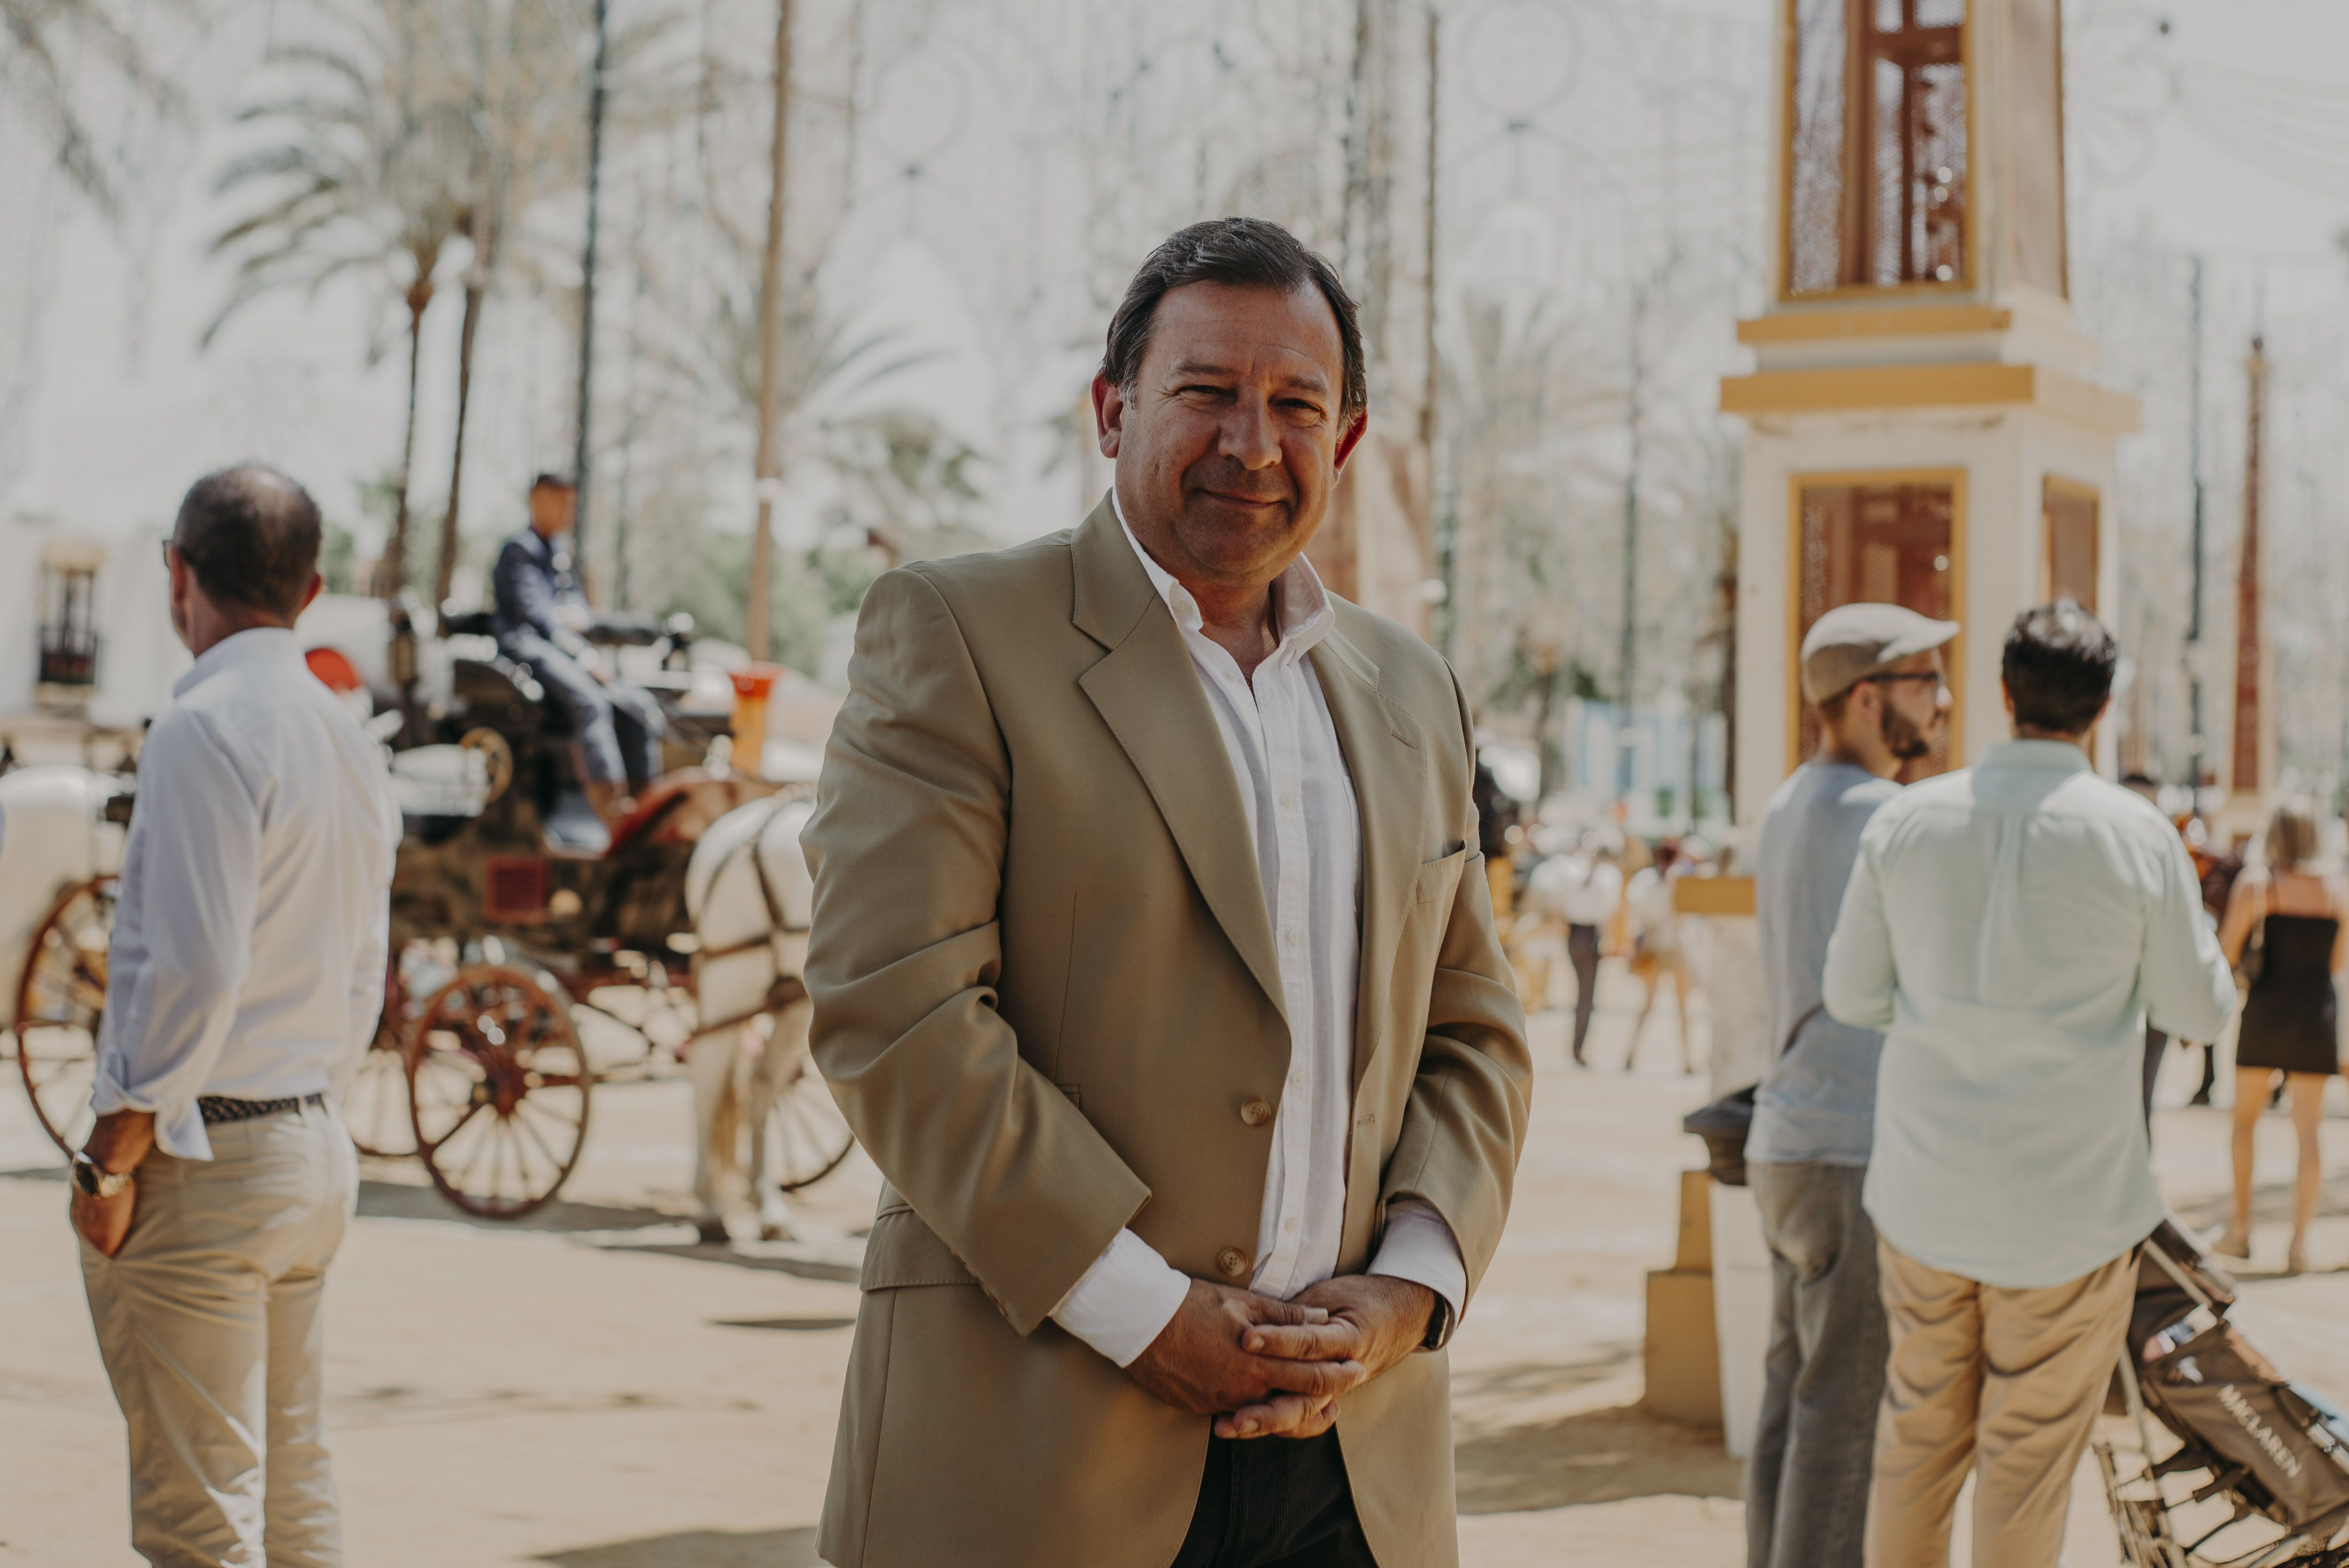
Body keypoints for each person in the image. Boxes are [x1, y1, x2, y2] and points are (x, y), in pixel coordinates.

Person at [800, 217, 1531, 1568]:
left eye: (1295, 405)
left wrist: (1411, 1288)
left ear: (1345, 443)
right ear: (1111, 407)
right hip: (1042, 1458)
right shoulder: (960, 632)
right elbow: (896, 1017)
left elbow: (1473, 1026)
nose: (1252, 443)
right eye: (1206, 393)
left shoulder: (1408, 688)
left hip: (1356, 1473)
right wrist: (1147, 1313)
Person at [1822, 601, 2235, 1568]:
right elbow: (2202, 1011)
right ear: (2100, 710)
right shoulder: (2137, 836)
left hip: (1923, 1195)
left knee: (1915, 1444)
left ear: (2002, 695)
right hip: (2069, 1207)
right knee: (2025, 1460)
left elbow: (1851, 992)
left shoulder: (1909, 820)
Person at [70, 465, 400, 1568]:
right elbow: (366, 969)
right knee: (295, 1486)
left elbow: (194, 974)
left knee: (199, 1524)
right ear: (310, 590)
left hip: (205, 1156)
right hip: (309, 1144)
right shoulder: (349, 737)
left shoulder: (202, 725)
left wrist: (112, 1157)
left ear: (178, 574)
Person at [1745, 602, 1956, 1568]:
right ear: (1867, 698)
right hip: (1852, 1150)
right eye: (1925, 682)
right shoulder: (1890, 816)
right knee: (1840, 1426)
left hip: (1787, 1145)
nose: (1942, 702)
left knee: (1792, 1407)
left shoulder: (1791, 800)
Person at [490, 472, 666, 826]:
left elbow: (577, 609)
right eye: (562, 502)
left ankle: (650, 805)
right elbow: (537, 616)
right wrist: (584, 656)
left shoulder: (559, 552)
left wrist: (578, 626)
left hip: (561, 647)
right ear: (537, 500)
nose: (570, 511)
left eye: (572, 504)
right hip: (529, 648)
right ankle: (614, 810)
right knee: (591, 702)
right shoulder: (519, 551)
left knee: (636, 705)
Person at [2215, 802, 2343, 1275]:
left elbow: (2227, 951)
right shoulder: (2337, 891)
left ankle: (2240, 1230)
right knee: (2308, 1129)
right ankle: (2299, 1243)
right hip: (2315, 1015)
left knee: (2244, 1122)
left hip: (2266, 1010)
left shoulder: (2257, 884)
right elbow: (2336, 963)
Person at [1528, 833, 1623, 1065]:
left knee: (1580, 992)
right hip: (1591, 936)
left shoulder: (1569, 870)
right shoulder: (1609, 875)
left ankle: (1577, 1046)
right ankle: (1579, 1048)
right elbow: (1610, 911)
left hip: (1574, 935)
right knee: (1586, 995)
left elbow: (1557, 906)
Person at [1624, 839, 1694, 1073]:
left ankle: (1686, 1059)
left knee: (1682, 1006)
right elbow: (1640, 917)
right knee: (1649, 1004)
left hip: (1674, 945)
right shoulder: (1647, 882)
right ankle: (1631, 1054)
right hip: (1657, 947)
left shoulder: (1676, 881)